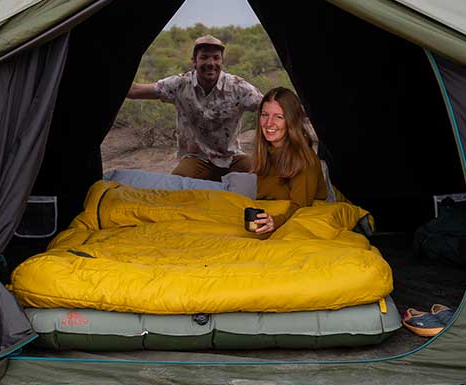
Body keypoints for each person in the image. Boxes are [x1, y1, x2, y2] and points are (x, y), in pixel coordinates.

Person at [126, 34, 263, 180]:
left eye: (216, 58)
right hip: (197, 159)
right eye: (204, 57)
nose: (210, 63)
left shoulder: (237, 87)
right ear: (194, 61)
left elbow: (268, 106)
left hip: (231, 157)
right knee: (178, 182)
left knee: (262, 177)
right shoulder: (180, 84)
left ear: (222, 61)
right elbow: (134, 91)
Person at [251, 87, 327, 235]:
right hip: (272, 216)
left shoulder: (304, 159)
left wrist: (275, 221)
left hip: (299, 220)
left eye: (279, 117)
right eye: (265, 115)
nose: (269, 123)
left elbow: (301, 208)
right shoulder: (267, 152)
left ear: (291, 121)